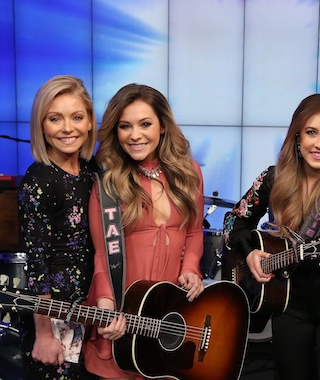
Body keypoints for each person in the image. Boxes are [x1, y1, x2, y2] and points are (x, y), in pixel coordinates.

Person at [224, 94, 320, 380]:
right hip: (287, 307)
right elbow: (233, 221)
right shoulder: (273, 179)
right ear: (297, 135)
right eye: (311, 132)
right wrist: (250, 252)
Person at [83, 84, 205, 380]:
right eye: (125, 126)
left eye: (145, 124)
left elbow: (194, 231)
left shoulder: (189, 172)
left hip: (170, 316)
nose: (135, 135)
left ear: (163, 126)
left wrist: (191, 268)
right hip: (124, 317)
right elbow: (102, 255)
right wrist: (107, 308)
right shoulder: (108, 184)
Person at [17, 75, 99, 379]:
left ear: (90, 121)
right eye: (55, 119)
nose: (67, 128)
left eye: (77, 117)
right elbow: (37, 266)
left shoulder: (92, 171)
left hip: (90, 310)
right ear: (41, 125)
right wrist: (44, 335)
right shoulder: (39, 181)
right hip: (54, 318)